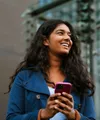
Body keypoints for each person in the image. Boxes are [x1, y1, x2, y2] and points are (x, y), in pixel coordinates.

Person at [6, 19, 96, 120]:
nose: (67, 38)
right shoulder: (25, 77)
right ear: (45, 41)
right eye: (60, 33)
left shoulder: (80, 79)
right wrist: (42, 114)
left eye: (69, 35)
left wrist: (74, 116)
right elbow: (12, 118)